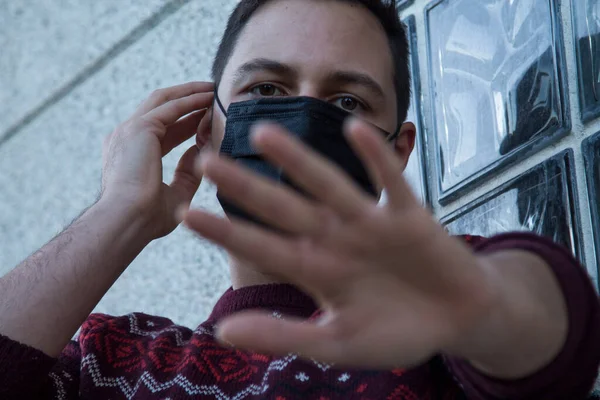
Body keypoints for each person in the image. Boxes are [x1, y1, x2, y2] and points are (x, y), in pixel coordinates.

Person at [1, 0, 599, 399]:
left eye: (347, 103)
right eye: (266, 88)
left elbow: (553, 338)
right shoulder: (116, 365)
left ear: (396, 150)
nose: (301, 120)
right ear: (207, 126)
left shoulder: (433, 309)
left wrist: (479, 309)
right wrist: (120, 214)